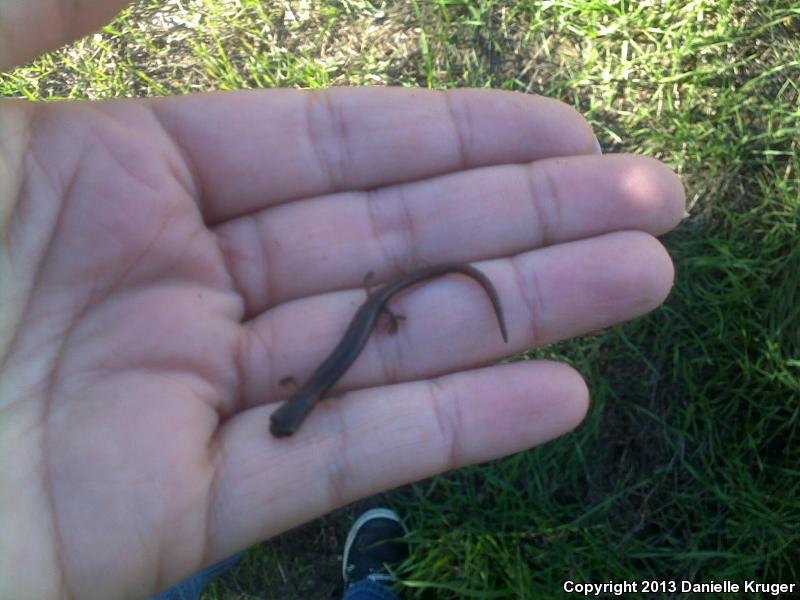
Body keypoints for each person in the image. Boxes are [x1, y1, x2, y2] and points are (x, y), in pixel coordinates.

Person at [0, 1, 685, 598]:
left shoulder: (311, 393)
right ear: (294, 412)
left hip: (378, 305)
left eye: (287, 416)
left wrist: (383, 313)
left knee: (383, 316)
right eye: (287, 420)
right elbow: (309, 378)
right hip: (376, 307)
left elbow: (316, 377)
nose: (287, 416)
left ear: (297, 409)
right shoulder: (306, 393)